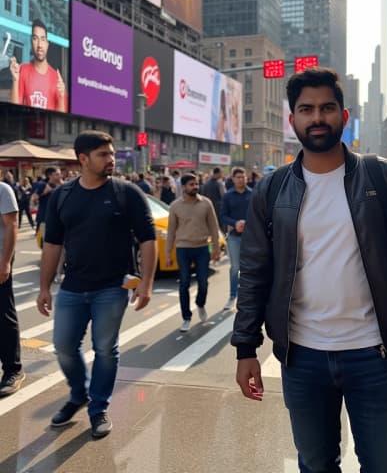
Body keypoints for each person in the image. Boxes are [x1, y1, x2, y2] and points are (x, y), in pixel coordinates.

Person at [231, 67, 387, 472]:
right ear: (292, 121)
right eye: (306, 109)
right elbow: (254, 272)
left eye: (327, 107)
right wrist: (245, 348)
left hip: (374, 354)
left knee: (385, 465)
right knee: (315, 464)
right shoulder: (272, 190)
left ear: (344, 115)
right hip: (301, 357)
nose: (317, 117)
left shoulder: (384, 177)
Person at [36, 131, 157, 438]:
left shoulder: (125, 193)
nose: (111, 159)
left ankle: (98, 407)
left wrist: (146, 284)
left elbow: (148, 239)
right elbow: (51, 245)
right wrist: (43, 287)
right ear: (83, 159)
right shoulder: (62, 196)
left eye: (111, 153)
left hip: (112, 287)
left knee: (105, 349)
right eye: (103, 154)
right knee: (63, 346)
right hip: (72, 287)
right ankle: (80, 393)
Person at [166, 173, 220, 332]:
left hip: (202, 248)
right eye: (191, 184)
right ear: (183, 187)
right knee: (184, 284)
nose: (195, 187)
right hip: (183, 249)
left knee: (203, 283)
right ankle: (186, 317)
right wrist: (168, 253)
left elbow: (214, 227)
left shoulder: (206, 203)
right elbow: (171, 232)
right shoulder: (175, 206)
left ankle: (200, 304)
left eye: (196, 184)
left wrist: (216, 249)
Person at [9, 19, 67, 111]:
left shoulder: (57, 79)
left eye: (43, 39)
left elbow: (61, 120)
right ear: (31, 42)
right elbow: (13, 110)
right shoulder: (23, 70)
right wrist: (15, 80)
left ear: (47, 44)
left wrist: (61, 96)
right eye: (35, 39)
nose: (39, 45)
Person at [0, 181, 24, 397]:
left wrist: (5, 261)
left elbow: (12, 225)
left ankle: (12, 370)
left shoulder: (3, 190)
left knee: (3, 316)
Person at [220, 167, 252, 311]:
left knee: (250, 268)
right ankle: (232, 296)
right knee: (235, 268)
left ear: (247, 178)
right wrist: (235, 223)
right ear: (233, 179)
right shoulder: (228, 196)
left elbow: (259, 213)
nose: (241, 179)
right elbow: (223, 215)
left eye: (243, 177)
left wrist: (247, 223)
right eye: (238, 177)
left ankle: (248, 297)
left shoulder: (253, 194)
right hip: (234, 236)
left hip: (251, 236)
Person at [33, 167, 63, 244]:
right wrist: (44, 193)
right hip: (44, 218)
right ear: (50, 175)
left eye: (60, 174)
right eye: (57, 174)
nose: (60, 176)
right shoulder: (42, 185)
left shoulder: (63, 185)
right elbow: (34, 198)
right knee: (44, 243)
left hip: (59, 218)